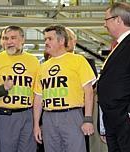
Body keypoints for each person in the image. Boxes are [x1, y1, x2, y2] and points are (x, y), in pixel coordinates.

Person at [33, 24, 96, 152]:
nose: (46, 42)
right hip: (48, 117)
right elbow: (38, 98)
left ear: (61, 41)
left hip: (71, 115)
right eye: (45, 39)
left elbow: (89, 92)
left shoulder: (78, 60)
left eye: (50, 39)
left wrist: (88, 119)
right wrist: (36, 125)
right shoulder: (42, 66)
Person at [97, 2, 130, 152]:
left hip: (127, 120)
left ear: (118, 19)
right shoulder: (119, 46)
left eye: (106, 20)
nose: (104, 25)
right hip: (114, 120)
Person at [0, 25, 39, 152]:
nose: (9, 42)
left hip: (27, 115)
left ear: (22, 39)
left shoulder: (34, 62)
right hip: (4, 116)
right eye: (5, 38)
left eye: (13, 38)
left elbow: (38, 92)